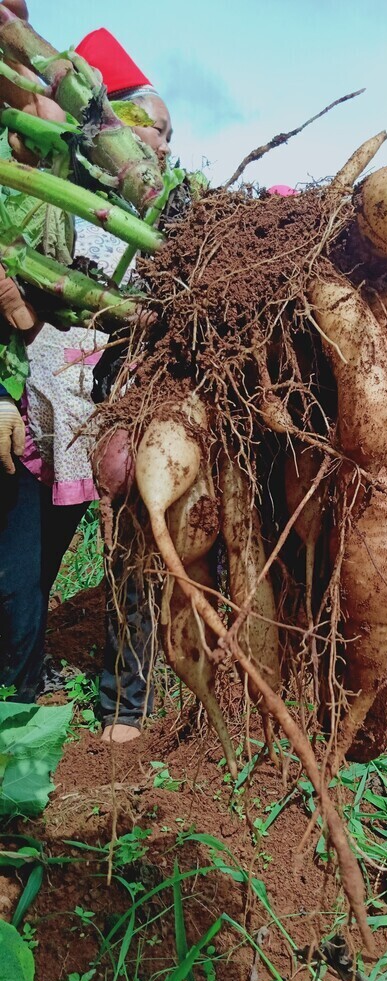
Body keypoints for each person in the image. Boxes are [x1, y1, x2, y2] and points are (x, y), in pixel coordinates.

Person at [0, 24, 172, 743]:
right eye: (141, 126)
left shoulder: (172, 208)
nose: (157, 142)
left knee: (138, 556)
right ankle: (20, 698)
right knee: (18, 572)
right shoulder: (41, 203)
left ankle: (125, 709)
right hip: (46, 417)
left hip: (137, 401)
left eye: (166, 131)